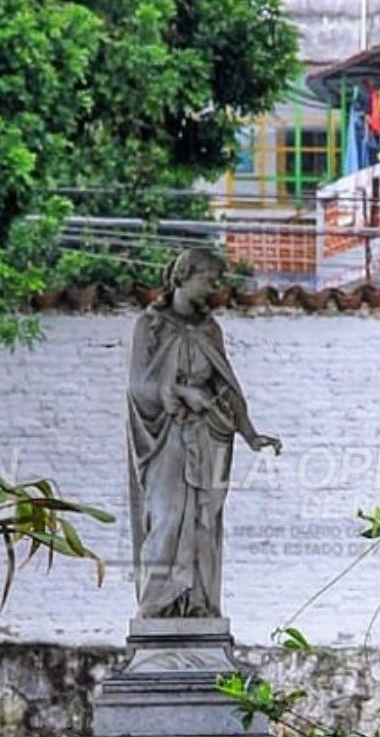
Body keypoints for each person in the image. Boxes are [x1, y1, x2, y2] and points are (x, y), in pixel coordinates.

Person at [126, 249, 281, 619]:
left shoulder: (210, 328)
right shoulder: (150, 326)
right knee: (166, 516)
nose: (213, 287)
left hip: (209, 437)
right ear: (184, 276)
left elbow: (227, 385)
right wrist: (179, 392)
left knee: (204, 522)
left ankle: (199, 603)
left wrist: (250, 433)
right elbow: (138, 387)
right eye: (207, 278)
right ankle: (158, 604)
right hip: (166, 438)